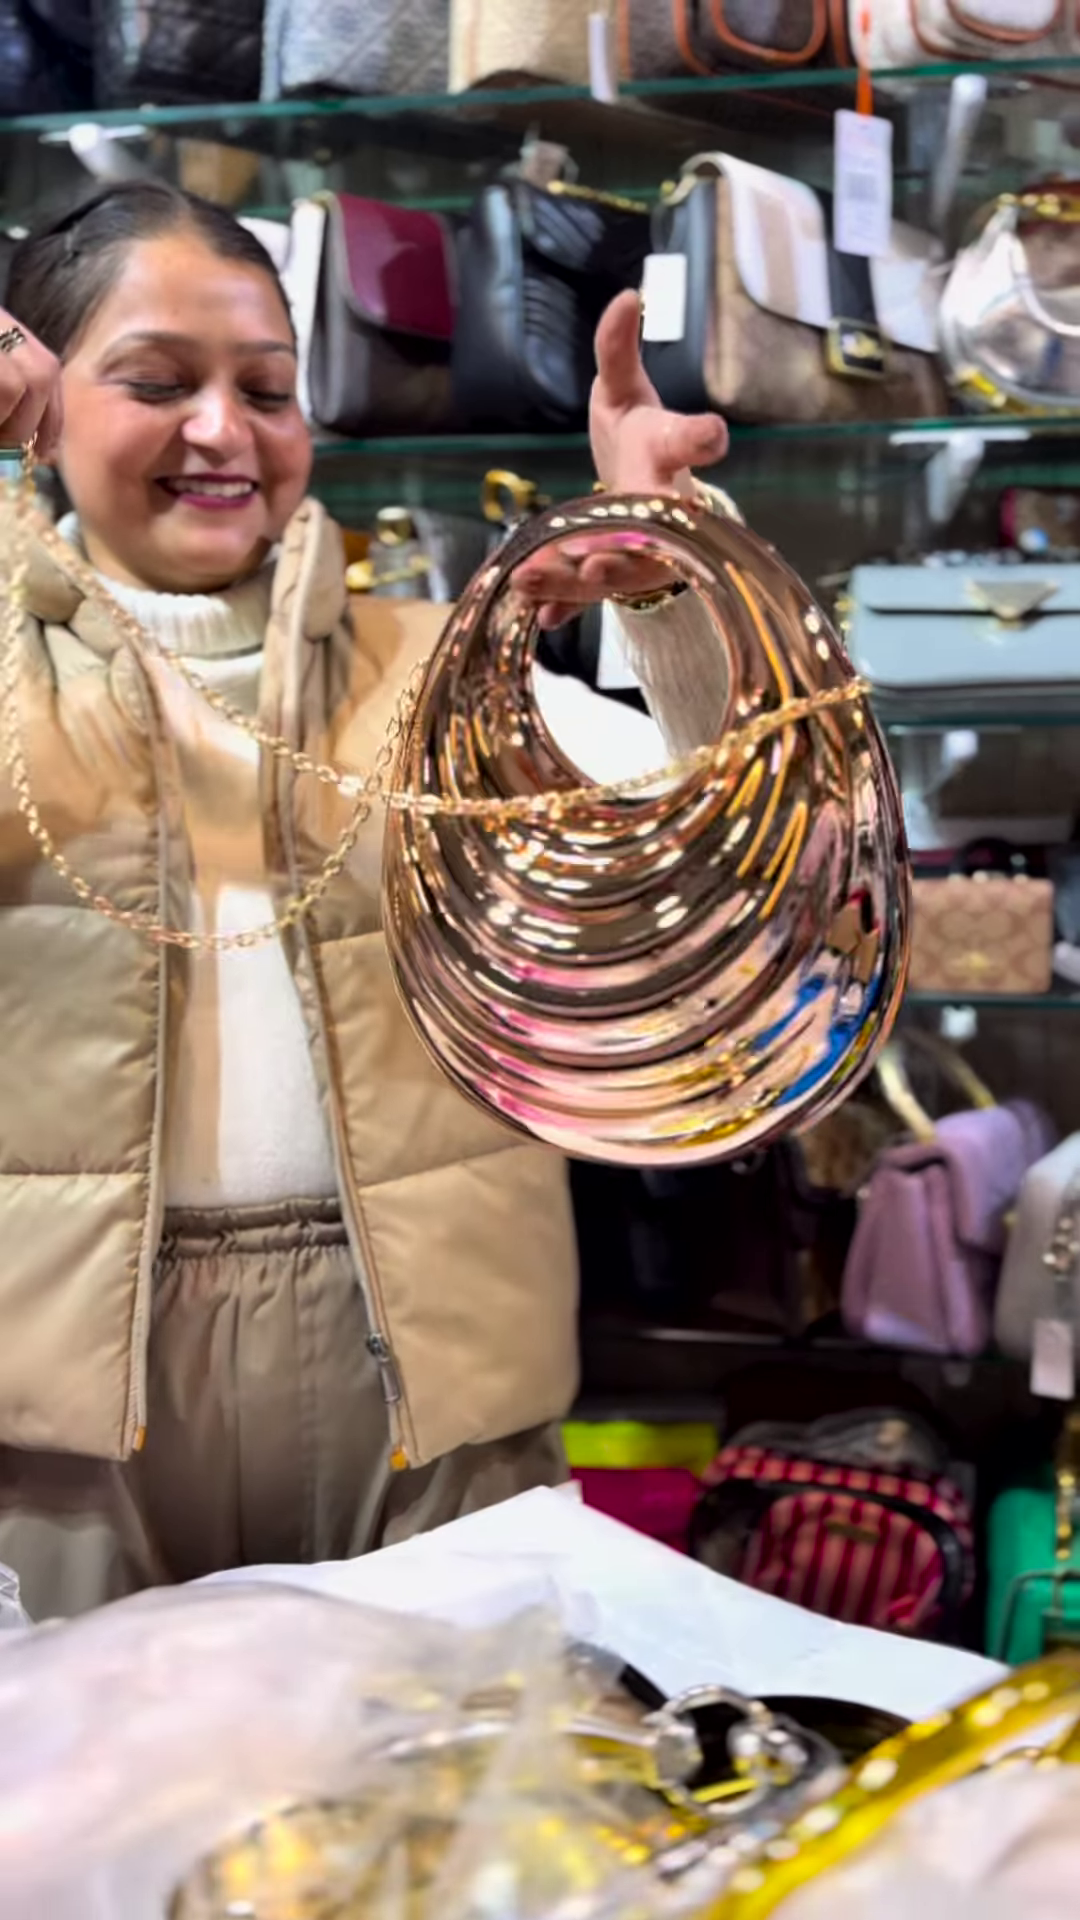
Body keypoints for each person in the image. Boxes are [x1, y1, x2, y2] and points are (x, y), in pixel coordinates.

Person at [0, 184, 728, 1620]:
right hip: (65, 1393)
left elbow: (699, 839)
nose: (224, 431)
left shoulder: (435, 666)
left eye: (268, 390)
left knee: (447, 1818)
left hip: (422, 1365)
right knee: (100, 1831)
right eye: (158, 382)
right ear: (41, 407)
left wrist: (671, 577)